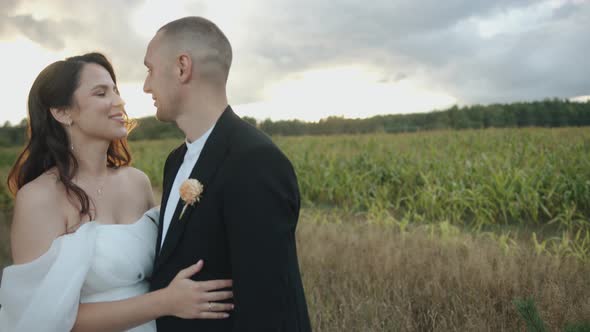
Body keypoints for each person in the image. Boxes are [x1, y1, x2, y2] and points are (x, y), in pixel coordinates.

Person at [0, 52, 234, 332]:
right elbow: (39, 317)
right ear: (62, 112)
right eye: (101, 93)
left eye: (116, 90)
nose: (119, 102)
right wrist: (165, 302)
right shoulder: (39, 197)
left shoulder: (137, 182)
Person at [144, 16, 312, 331]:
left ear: (182, 67)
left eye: (150, 69)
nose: (146, 85)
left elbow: (272, 306)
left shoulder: (255, 161)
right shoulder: (175, 161)